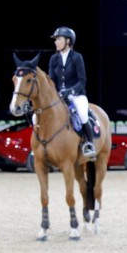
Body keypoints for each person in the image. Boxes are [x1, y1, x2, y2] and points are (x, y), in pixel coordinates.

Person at [48, 26, 95, 160]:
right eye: (55, 40)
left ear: (68, 41)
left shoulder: (77, 57)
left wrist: (71, 90)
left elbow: (82, 81)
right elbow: (51, 79)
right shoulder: (53, 59)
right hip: (59, 96)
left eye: (59, 39)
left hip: (77, 94)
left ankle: (89, 144)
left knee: (82, 114)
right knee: (39, 116)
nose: (56, 42)